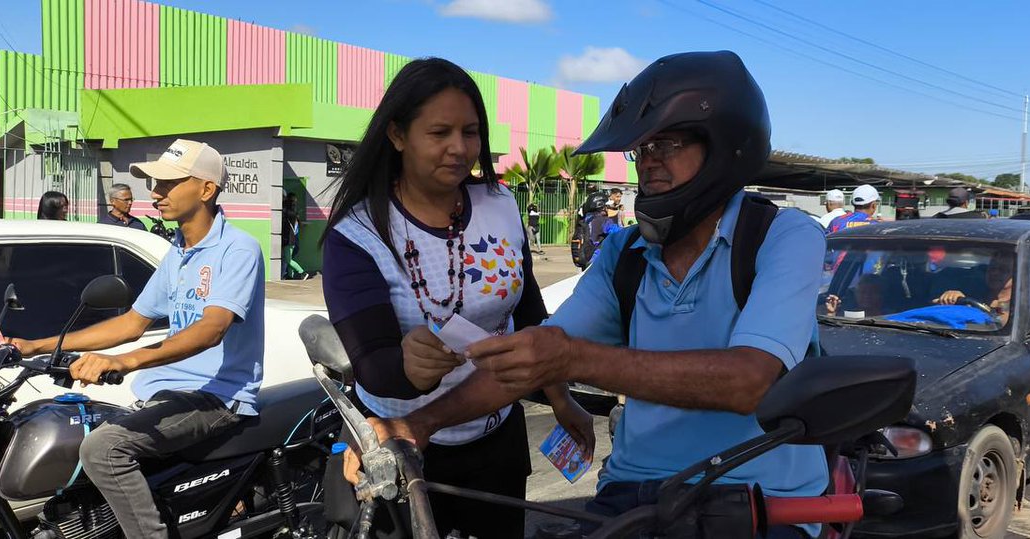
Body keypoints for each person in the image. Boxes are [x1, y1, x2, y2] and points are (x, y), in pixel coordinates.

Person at [364, 50, 828, 539]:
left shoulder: (784, 237)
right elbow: (542, 352)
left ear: (726, 146)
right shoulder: (625, 252)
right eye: (642, 150)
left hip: (758, 499)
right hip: (636, 491)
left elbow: (748, 381)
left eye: (666, 145)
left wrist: (571, 359)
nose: (649, 164)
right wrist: (420, 425)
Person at [320, 57, 593, 539]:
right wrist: (406, 367)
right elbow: (372, 365)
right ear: (397, 135)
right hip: (402, 448)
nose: (459, 148)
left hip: (497, 438)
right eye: (439, 132)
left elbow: (529, 315)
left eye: (470, 132)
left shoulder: (500, 204)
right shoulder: (357, 234)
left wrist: (560, 398)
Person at [8, 139, 264, 539]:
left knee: (103, 448)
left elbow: (212, 329)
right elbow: (131, 322)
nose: (155, 193)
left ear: (207, 189)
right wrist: (38, 344)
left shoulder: (238, 249)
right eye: (154, 183)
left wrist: (124, 362)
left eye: (168, 184)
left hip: (215, 394)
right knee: (77, 428)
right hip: (165, 391)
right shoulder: (179, 251)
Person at [281, 191, 309, 279]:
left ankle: (302, 272)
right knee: (288, 259)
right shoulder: (293, 213)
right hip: (291, 239)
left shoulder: (287, 213)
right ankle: (290, 276)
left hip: (289, 240)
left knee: (288, 260)